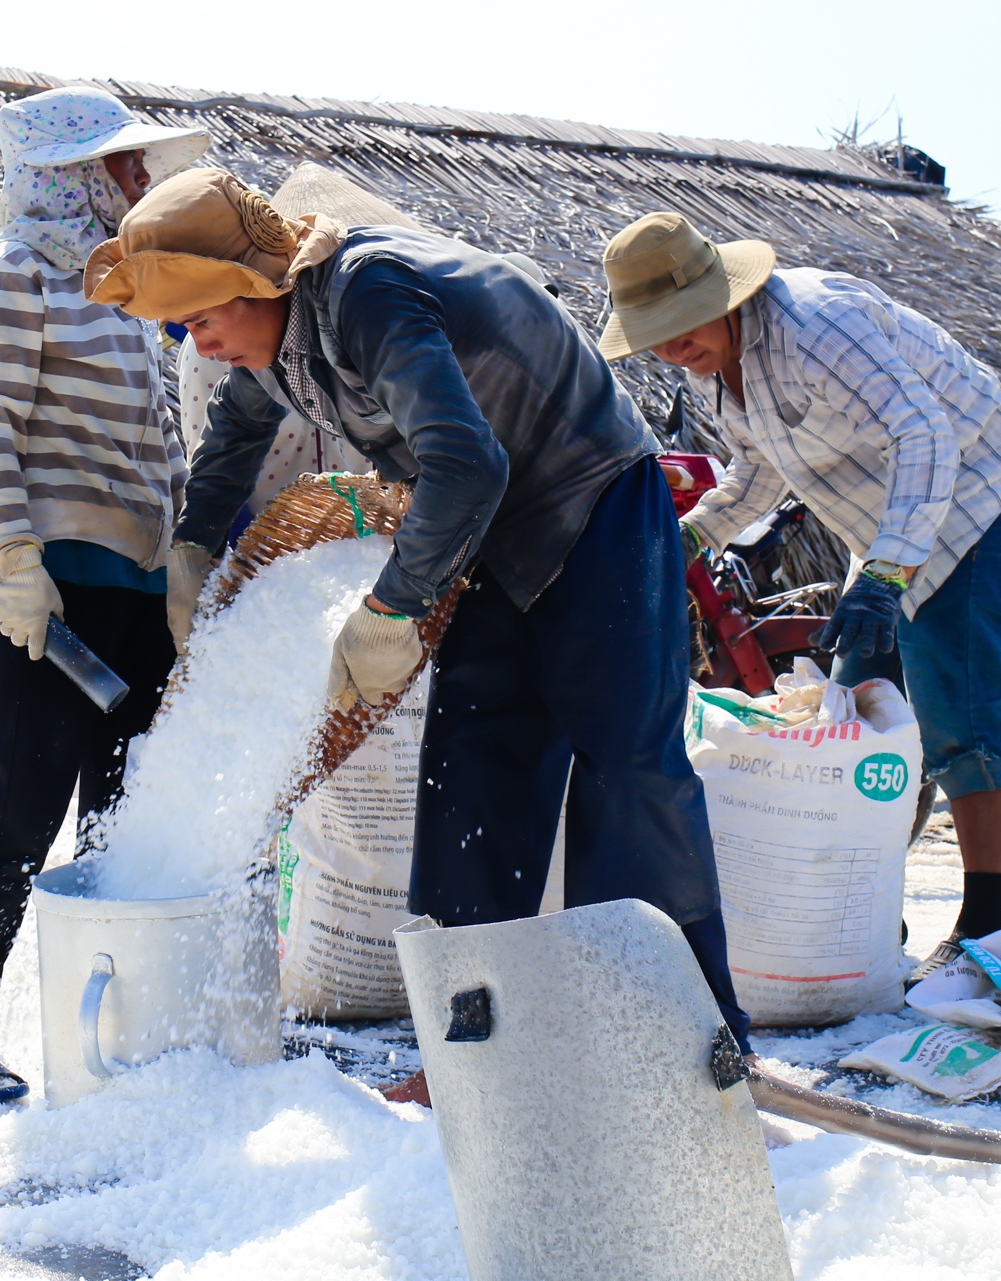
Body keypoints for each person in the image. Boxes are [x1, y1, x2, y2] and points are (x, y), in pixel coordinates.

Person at [86, 169, 751, 1103]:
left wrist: (391, 611)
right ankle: (473, 1052)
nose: (199, 345)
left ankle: (680, 1048)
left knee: (626, 767)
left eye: (198, 323)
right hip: (478, 526)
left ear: (253, 286)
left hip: (588, 498)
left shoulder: (369, 292)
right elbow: (235, 438)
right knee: (472, 773)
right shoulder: (271, 344)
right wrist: (195, 544)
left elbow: (466, 458)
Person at [598, 211, 1001, 979]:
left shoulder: (817, 325)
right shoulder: (722, 371)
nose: (676, 347)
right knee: (851, 713)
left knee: (958, 710)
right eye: (659, 334)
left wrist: (887, 575)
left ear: (725, 293)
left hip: (974, 500)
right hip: (885, 528)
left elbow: (926, 438)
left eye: (685, 324)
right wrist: (689, 541)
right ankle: (869, 903)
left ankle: (985, 929)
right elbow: (756, 474)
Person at [0, 87, 209, 1106]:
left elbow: (165, 448)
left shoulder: (132, 295)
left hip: (136, 586)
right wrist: (17, 565)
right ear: (67, 174)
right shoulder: (9, 278)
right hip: (60, 585)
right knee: (25, 802)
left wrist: (178, 563)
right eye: (120, 165)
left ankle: (111, 1030)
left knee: (125, 814)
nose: (138, 180)